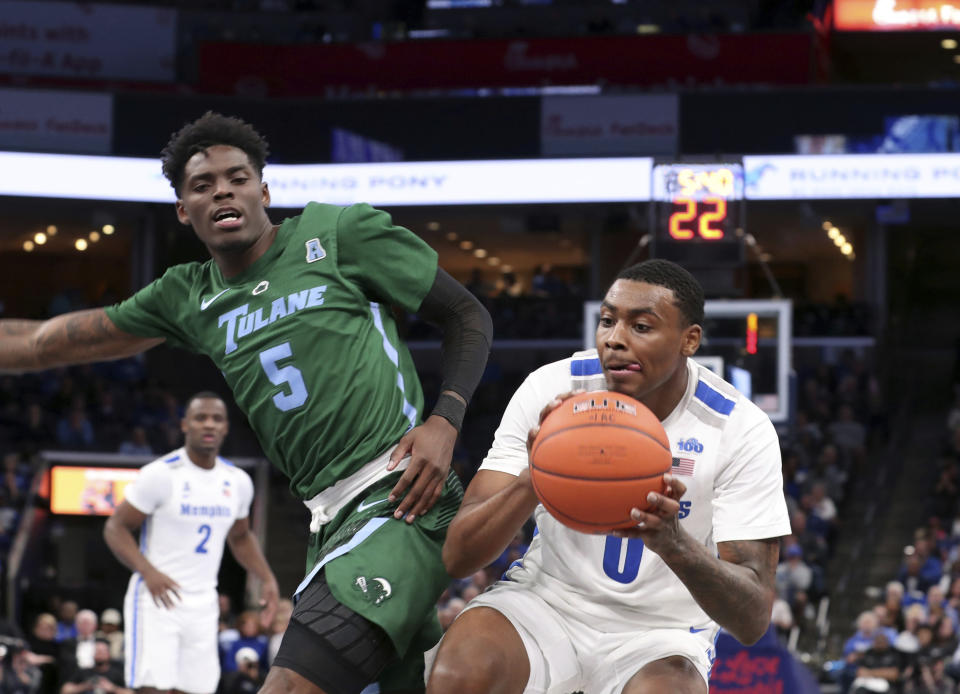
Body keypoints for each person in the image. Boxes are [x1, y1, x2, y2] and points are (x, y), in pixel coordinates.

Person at [0, 111, 492, 694]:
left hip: (400, 495)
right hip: (327, 519)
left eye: (237, 177)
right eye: (202, 185)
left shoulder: (338, 234)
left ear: (264, 189)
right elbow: (39, 343)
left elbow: (466, 314)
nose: (222, 191)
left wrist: (446, 417)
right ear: (184, 210)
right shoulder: (187, 295)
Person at [426, 259, 791, 694]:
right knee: (461, 671)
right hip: (547, 602)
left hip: (661, 632)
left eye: (641, 326)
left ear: (689, 340)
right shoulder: (552, 389)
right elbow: (459, 557)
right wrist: (533, 477)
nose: (615, 339)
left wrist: (672, 542)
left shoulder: (739, 427)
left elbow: (751, 619)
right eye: (607, 321)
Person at [102, 392, 278, 694]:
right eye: (200, 418)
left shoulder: (237, 481)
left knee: (196, 689)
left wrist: (267, 577)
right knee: (153, 689)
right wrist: (148, 572)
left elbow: (240, 536)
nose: (208, 424)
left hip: (203, 603)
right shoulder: (160, 474)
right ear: (185, 425)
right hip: (157, 600)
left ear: (225, 428)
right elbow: (115, 527)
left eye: (217, 419)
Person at [60, 639, 131, 694]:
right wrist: (84, 686)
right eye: (97, 651)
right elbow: (64, 690)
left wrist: (112, 688)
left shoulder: (116, 673)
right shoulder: (84, 671)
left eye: (102, 652)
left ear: (109, 654)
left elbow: (130, 693)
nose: (99, 654)